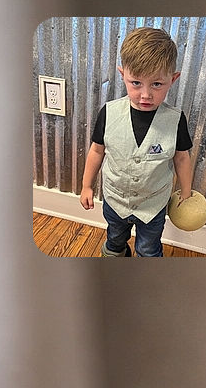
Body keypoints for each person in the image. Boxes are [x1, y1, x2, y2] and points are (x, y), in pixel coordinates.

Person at [80, 27, 195, 257]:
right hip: (115, 201)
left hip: (153, 206)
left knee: (148, 248)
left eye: (156, 85)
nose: (145, 95)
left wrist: (187, 191)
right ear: (123, 75)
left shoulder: (175, 120)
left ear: (172, 79)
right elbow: (96, 151)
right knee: (115, 239)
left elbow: (182, 157)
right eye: (136, 83)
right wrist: (86, 185)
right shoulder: (109, 113)